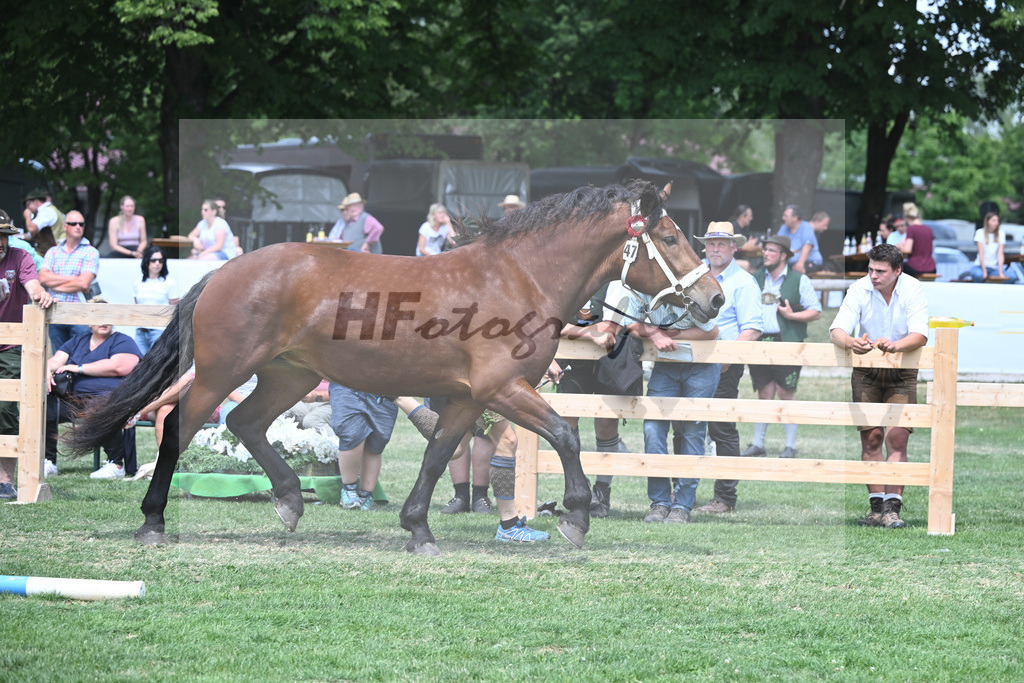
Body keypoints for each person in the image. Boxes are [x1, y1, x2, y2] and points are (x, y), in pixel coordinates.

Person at [624, 225, 723, 524]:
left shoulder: (691, 283)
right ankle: (658, 502)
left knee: (692, 431)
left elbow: (712, 331)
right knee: (653, 429)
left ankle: (682, 505)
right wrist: (654, 333)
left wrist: (678, 334)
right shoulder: (643, 288)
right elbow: (632, 323)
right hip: (665, 368)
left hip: (700, 367)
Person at [829, 243, 928, 528]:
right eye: (870, 269)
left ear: (897, 271)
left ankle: (892, 509)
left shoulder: (913, 288)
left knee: (897, 438)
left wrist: (896, 345)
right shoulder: (858, 289)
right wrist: (852, 342)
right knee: (871, 438)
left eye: (880, 271)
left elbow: (920, 334)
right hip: (867, 372)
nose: (873, 275)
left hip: (902, 371)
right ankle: (876, 508)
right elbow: (837, 331)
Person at [545, 280, 640, 518]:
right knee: (567, 426)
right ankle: (579, 487)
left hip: (610, 361)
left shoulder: (616, 283)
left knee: (607, 425)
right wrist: (588, 332)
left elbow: (610, 328)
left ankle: (602, 493)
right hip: (574, 363)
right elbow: (551, 325)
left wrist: (576, 330)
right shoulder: (568, 279)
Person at [693, 223, 763, 515]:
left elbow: (752, 329)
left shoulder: (743, 282)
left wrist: (726, 361)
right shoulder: (696, 276)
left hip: (724, 364)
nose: (716, 249)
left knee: (721, 428)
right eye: (711, 244)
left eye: (722, 244)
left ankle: (725, 497)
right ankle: (682, 491)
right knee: (686, 426)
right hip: (693, 360)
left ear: (734, 248)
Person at [742, 235, 822, 459]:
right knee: (764, 392)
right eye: (765, 250)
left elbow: (816, 311)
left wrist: (792, 315)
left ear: (784, 255)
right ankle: (758, 444)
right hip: (759, 342)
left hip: (787, 342)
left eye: (771, 251)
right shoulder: (754, 278)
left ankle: (790, 446)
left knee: (786, 393)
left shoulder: (799, 280)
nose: (766, 254)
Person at [0, 210, 55, 500]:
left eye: (5, 236)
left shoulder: (20, 256)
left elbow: (32, 284)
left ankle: (5, 480)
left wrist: (39, 294)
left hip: (11, 344)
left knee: (7, 407)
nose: (0, 241)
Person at [45, 315, 142, 479]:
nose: (103, 321)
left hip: (110, 398)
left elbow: (120, 367)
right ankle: (49, 461)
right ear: (89, 322)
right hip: (74, 399)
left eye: (107, 317)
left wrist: (77, 368)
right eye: (98, 317)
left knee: (100, 407)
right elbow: (56, 360)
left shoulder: (123, 341)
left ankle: (115, 464)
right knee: (46, 405)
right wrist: (46, 368)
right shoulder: (77, 341)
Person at [329, 383, 398, 511]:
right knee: (351, 434)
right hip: (346, 383)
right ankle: (349, 490)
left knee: (378, 440)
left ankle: (366, 494)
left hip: (385, 386)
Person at [38, 209, 99, 351]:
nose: (78, 226)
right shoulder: (53, 251)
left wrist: (55, 285)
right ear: (65, 226)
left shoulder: (91, 251)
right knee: (58, 357)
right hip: (55, 311)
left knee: (81, 356)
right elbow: (42, 277)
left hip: (79, 312)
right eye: (73, 223)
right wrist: (72, 279)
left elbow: (84, 282)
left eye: (81, 224)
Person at [132, 246, 179, 354]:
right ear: (147, 261)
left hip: (160, 330)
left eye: (160, 260)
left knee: (155, 366)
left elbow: (175, 308)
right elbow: (137, 305)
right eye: (153, 260)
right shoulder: (138, 282)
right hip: (141, 330)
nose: (157, 263)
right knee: (139, 363)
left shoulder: (169, 282)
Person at [969, 212, 1016, 283]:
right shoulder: (980, 232)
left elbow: (1000, 254)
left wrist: (1000, 272)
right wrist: (984, 271)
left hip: (993, 269)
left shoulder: (1001, 233)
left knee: (1012, 277)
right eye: (993, 220)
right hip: (979, 267)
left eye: (997, 220)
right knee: (979, 275)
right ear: (987, 221)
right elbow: (981, 254)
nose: (996, 223)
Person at [777, 204, 822, 274]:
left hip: (809, 262)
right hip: (790, 263)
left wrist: (800, 264)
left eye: (785, 216)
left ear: (795, 217)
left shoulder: (806, 226)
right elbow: (777, 243)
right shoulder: (783, 228)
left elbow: (807, 246)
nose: (783, 218)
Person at [22, 189, 65, 256]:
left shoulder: (46, 211)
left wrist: (27, 216)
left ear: (36, 201)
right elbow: (29, 235)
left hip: (54, 255)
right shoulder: (50, 210)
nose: (28, 208)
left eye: (28, 204)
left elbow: (32, 229)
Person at [898, 202, 935, 277]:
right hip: (931, 267)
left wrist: (899, 246)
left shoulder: (912, 229)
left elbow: (907, 250)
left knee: (895, 269)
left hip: (915, 266)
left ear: (907, 218)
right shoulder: (928, 229)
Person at [730, 204, 761, 271]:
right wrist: (746, 245)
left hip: (739, 259)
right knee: (746, 265)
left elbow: (748, 246)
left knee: (757, 272)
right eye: (750, 216)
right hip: (728, 260)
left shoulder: (745, 230)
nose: (751, 218)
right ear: (742, 216)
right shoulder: (731, 228)